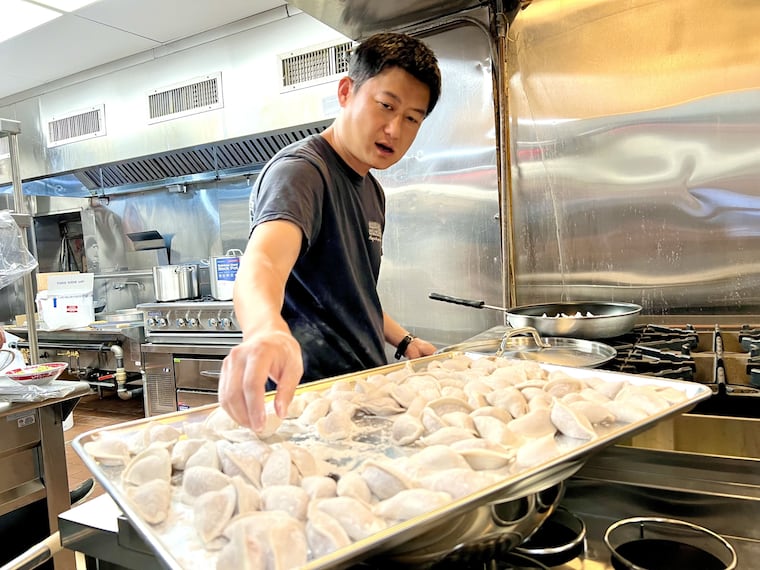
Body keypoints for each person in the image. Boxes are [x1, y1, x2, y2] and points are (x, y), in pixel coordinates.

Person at [219, 32, 442, 430]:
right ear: (346, 92)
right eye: (386, 106)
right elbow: (264, 262)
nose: (395, 129)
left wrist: (404, 341)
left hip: (361, 392)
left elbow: (352, 294)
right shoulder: (302, 172)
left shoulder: (371, 188)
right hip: (309, 406)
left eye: (412, 118)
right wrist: (264, 328)